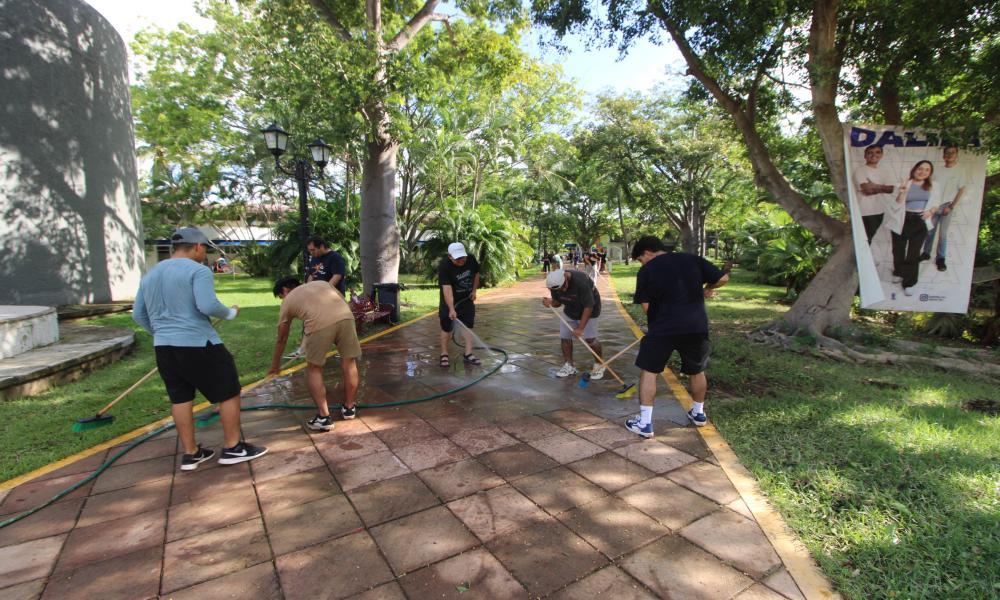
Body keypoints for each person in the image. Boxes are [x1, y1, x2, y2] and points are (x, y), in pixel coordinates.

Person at [133, 227, 267, 471]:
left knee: (180, 397)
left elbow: (138, 315)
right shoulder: (198, 270)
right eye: (204, 248)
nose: (204, 253)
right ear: (196, 247)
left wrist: (161, 333)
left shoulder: (150, 275)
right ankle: (233, 447)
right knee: (229, 391)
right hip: (199, 343)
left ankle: (191, 453)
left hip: (164, 347)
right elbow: (207, 304)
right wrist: (231, 313)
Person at [626, 235, 728, 437]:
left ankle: (645, 423)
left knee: (650, 371)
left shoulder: (647, 270)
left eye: (640, 258)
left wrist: (657, 321)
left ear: (646, 253)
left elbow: (646, 307)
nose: (641, 262)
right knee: (697, 370)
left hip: (663, 328)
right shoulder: (691, 259)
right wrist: (708, 288)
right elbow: (723, 278)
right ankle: (698, 414)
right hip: (696, 327)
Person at [269, 277, 361, 430]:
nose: (282, 299)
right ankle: (349, 408)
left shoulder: (288, 300)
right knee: (349, 362)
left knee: (314, 369)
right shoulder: (322, 283)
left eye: (280, 296)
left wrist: (275, 365)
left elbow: (282, 338)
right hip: (346, 318)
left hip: (320, 325)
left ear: (285, 290)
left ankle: (324, 417)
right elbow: (342, 300)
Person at [542, 268, 605, 379]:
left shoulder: (581, 281)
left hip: (590, 310)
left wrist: (580, 328)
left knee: (590, 339)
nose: (563, 290)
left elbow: (589, 306)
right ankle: (569, 366)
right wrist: (550, 303)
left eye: (564, 287)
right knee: (565, 337)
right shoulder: (554, 284)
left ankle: (599, 364)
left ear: (565, 278)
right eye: (560, 289)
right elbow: (558, 302)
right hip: (571, 310)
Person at [891, 160, 937, 296]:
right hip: (902, 219)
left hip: (920, 221)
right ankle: (899, 272)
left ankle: (909, 283)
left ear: (930, 173)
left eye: (927, 170)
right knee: (898, 249)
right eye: (920, 169)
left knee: (913, 252)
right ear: (914, 169)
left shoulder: (934, 186)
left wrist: (931, 212)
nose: (923, 172)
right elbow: (897, 203)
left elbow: (936, 203)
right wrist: (902, 191)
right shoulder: (905, 183)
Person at [921, 146, 968, 272]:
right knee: (930, 231)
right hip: (934, 206)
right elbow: (930, 187)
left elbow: (961, 189)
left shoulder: (960, 170)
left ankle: (940, 259)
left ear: (956, 154)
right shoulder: (937, 170)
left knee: (943, 234)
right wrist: (930, 205)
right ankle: (926, 253)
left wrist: (951, 206)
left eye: (952, 153)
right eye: (947, 153)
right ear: (943, 155)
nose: (950, 155)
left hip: (947, 206)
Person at [438, 242, 482, 367]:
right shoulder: (444, 266)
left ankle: (468, 354)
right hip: (449, 300)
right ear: (450, 256)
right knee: (446, 327)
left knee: (468, 326)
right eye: (458, 259)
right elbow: (446, 289)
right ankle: (444, 354)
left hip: (466, 299)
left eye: (463, 257)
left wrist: (474, 291)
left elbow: (476, 274)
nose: (461, 260)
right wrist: (451, 308)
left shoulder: (471, 259)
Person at [852, 144, 897, 244]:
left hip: (880, 210)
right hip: (865, 211)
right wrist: (882, 187)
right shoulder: (860, 170)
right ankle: (860, 259)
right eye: (870, 153)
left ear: (881, 155)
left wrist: (875, 186)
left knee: (869, 239)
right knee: (864, 240)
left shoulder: (885, 171)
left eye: (877, 152)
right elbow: (867, 191)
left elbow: (892, 189)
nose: (874, 155)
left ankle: (864, 259)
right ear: (865, 156)